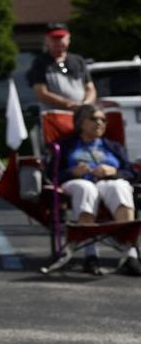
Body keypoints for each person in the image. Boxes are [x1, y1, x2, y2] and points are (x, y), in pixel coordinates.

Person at [52, 105, 140, 276]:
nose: (99, 123)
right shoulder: (66, 146)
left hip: (107, 182)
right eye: (93, 119)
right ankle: (90, 255)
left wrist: (114, 172)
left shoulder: (113, 146)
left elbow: (132, 173)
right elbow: (52, 174)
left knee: (120, 186)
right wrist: (72, 172)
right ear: (80, 123)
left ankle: (131, 255)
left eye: (103, 120)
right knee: (86, 189)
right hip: (77, 182)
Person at [27, 22, 96, 111]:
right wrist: (69, 105)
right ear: (47, 40)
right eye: (54, 38)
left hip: (80, 116)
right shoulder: (40, 62)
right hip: (55, 116)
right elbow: (41, 93)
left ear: (68, 38)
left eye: (61, 38)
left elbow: (90, 89)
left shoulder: (78, 60)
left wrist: (85, 104)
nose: (58, 42)